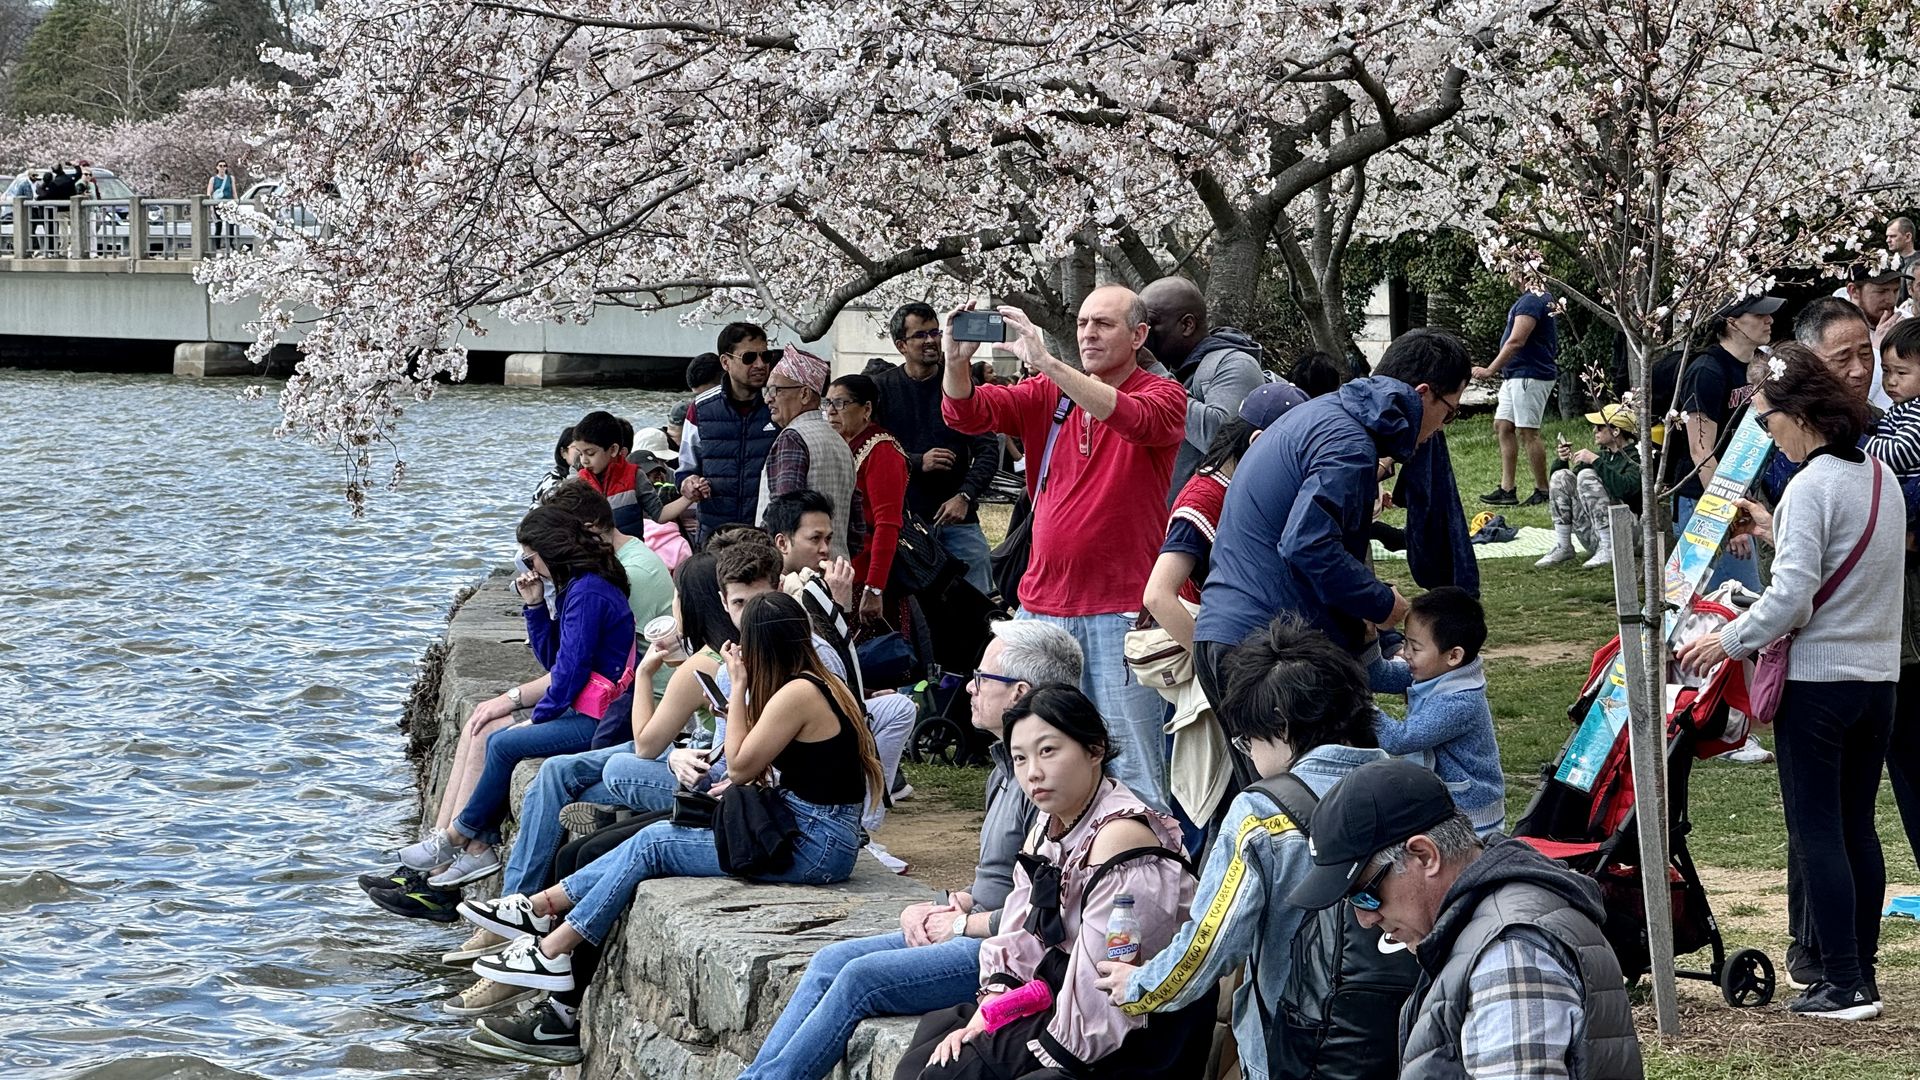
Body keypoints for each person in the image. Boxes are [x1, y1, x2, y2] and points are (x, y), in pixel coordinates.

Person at [464, 593, 884, 1053]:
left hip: (816, 843)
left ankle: (550, 948)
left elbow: (741, 767)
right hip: (813, 828)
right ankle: (540, 908)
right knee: (650, 837)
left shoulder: (799, 692)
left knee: (655, 844)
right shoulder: (814, 681)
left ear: (761, 646)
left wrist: (739, 688)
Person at [736, 621, 1083, 1080]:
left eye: (982, 679)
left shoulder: (1045, 783)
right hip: (974, 926)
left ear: (1020, 692)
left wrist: (960, 921)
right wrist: (953, 900)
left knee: (859, 980)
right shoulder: (1006, 767)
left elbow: (1048, 917)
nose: (970, 690)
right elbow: (1001, 877)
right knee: (827, 961)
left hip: (1004, 950)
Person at [1674, 343, 1902, 1020]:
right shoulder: (1877, 478)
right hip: (1876, 680)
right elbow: (1839, 570)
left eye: (1767, 420)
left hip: (1818, 684)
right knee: (1858, 827)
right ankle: (1860, 973)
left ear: (1800, 414)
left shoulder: (1809, 486)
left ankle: (1841, 983)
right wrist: (1774, 529)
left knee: (1817, 830)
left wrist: (1727, 641)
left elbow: (1794, 601)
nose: (1767, 433)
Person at [1092, 616, 1392, 1080]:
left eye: (1248, 740)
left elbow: (1211, 941)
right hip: (1400, 1034)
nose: (1249, 755)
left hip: (1296, 1042)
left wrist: (1141, 986)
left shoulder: (1260, 815)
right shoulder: (1410, 785)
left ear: (1281, 725)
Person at [940, 287, 1187, 813]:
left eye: (1104, 324)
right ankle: (1033, 875)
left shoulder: (1165, 396)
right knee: (1031, 754)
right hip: (1043, 606)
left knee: (1133, 764)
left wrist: (1048, 362)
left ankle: (1146, 879)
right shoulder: (1047, 394)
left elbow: (1132, 419)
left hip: (1122, 611)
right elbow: (968, 415)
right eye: (1081, 323)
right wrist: (955, 363)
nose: (1088, 333)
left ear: (1139, 336)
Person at [891, 685, 1211, 1080]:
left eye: (1048, 751)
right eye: (1020, 758)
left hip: (1132, 1028)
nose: (1033, 773)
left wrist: (1042, 1050)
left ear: (1095, 750)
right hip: (1059, 996)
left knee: (958, 1069)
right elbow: (1022, 929)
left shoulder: (1121, 839)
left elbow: (1106, 985)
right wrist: (993, 1007)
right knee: (939, 1035)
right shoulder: (1052, 822)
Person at [1289, 758, 1642, 1079]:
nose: (1364, 919)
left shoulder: (1509, 955)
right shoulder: (1481, 923)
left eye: (1365, 893)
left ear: (1424, 855)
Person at [1195, 328, 1471, 707]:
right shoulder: (1349, 442)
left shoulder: (1322, 416)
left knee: (1273, 769)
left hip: (1237, 634)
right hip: (1270, 650)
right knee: (1314, 768)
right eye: (1450, 413)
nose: (1441, 427)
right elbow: (1307, 545)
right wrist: (1380, 602)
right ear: (1423, 394)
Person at [387, 505, 636, 889]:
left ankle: (460, 838)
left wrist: (540, 718)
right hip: (586, 708)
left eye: (529, 558)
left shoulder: (589, 593)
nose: (527, 566)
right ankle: (475, 845)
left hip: (599, 719)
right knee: (502, 738)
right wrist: (535, 605)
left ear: (553, 549)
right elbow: (554, 659)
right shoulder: (578, 588)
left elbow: (568, 674)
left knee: (503, 743)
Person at [869, 303, 1002, 596]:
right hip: (903, 523)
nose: (930, 341)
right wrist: (916, 461)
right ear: (901, 344)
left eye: (935, 333)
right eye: (920, 335)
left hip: (959, 520)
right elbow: (869, 452)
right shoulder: (880, 390)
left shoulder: (961, 384)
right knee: (916, 617)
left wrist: (965, 495)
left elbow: (988, 449)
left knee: (979, 607)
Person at [1663, 294, 1780, 592]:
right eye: (1759, 315)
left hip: (1740, 497)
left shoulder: (1759, 365)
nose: (1770, 320)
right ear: (1732, 322)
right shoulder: (1707, 371)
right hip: (1704, 501)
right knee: (1729, 606)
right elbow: (1700, 450)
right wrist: (1730, 518)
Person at [1366, 587, 1503, 837]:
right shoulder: (1435, 673)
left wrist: (1359, 705)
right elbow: (1380, 676)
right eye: (1405, 641)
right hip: (1443, 809)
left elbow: (1400, 739)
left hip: (1469, 821)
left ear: (1453, 655)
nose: (1405, 653)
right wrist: (1368, 640)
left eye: (1415, 648)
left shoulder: (1459, 701)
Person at [541, 479, 675, 706]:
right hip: (624, 687)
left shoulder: (629, 574)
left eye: (562, 537)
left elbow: (577, 662)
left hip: (648, 698)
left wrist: (514, 698)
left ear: (590, 528)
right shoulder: (623, 554)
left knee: (496, 732)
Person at [1140, 275, 1269, 499]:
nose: (1143, 334)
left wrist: (1155, 372)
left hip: (1200, 526)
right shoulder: (1172, 369)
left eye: (1150, 324)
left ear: (1187, 325)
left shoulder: (1235, 364)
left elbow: (1223, 439)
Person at [679, 323, 779, 543]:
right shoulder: (700, 409)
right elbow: (685, 471)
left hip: (766, 535)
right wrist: (689, 485)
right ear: (726, 362)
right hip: (716, 536)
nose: (760, 364)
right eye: (749, 357)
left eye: (766, 356)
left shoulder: (779, 405)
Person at [825, 374, 909, 622]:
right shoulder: (842, 445)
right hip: (844, 569)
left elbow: (888, 523)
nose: (831, 412)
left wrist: (874, 588)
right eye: (827, 403)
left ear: (867, 408)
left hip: (870, 575)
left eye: (840, 404)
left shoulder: (882, 450)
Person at [756, 346, 854, 558]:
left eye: (775, 390)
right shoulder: (839, 439)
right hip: (838, 568)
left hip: (797, 574)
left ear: (804, 394)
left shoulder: (793, 438)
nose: (767, 399)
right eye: (767, 391)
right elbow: (856, 526)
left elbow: (783, 514)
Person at [1472, 289, 1559, 506]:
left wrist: (1489, 370)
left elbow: (1516, 341)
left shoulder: (1533, 300)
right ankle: (1507, 489)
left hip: (1529, 374)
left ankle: (1543, 490)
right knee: (1503, 425)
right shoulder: (1530, 299)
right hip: (1515, 375)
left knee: (1529, 432)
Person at [1536, 403, 1643, 568]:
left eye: (1599, 428)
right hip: (1596, 534)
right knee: (1561, 476)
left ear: (1616, 431)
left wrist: (1595, 461)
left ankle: (1608, 548)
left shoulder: (1636, 458)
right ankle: (1564, 546)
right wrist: (1562, 461)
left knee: (1586, 476)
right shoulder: (1603, 456)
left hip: (1629, 536)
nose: (1594, 431)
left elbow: (1626, 490)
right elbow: (1560, 489)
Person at [569, 410, 698, 536]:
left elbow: (660, 515)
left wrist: (689, 497)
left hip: (629, 552)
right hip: (592, 553)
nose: (584, 460)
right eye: (580, 453)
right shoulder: (579, 481)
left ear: (613, 449)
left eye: (590, 453)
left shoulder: (634, 475)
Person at [1840, 262, 1906, 411]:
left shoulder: (1906, 320)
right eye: (1881, 292)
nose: (1890, 300)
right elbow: (1850, 398)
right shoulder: (1835, 331)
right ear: (1854, 291)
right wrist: (1875, 349)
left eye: (1895, 291)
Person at [532, 425, 575, 506]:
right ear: (563, 452)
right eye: (577, 448)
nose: (583, 454)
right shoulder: (552, 481)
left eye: (588, 450)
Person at [206, 160, 237, 250]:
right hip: (218, 205)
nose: (222, 168)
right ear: (217, 167)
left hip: (229, 204)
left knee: (231, 225)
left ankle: (231, 245)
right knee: (218, 226)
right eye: (220, 166)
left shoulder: (230, 178)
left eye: (224, 166)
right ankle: (218, 248)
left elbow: (234, 192)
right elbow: (209, 193)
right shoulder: (213, 179)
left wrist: (237, 203)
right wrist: (211, 206)